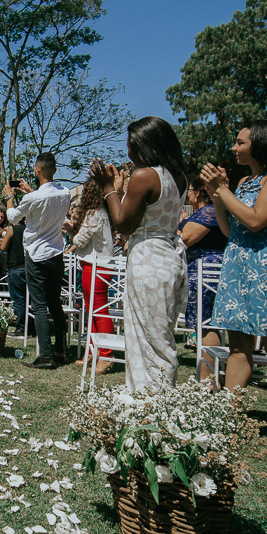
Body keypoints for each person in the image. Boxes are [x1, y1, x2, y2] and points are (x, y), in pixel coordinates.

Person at [200, 119, 267, 462]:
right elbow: (231, 230)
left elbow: (258, 220)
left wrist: (224, 191)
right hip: (238, 263)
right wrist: (218, 196)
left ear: (262, 143)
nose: (234, 147)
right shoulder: (245, 180)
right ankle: (227, 426)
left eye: (240, 142)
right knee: (238, 349)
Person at [91, 117, 188, 389]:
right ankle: (151, 400)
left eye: (130, 141)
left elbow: (123, 223)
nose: (127, 147)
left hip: (147, 259)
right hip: (169, 257)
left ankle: (151, 405)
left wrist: (109, 188)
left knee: (146, 338)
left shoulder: (145, 175)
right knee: (160, 336)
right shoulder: (179, 177)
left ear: (145, 144)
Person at [4, 152, 71, 369]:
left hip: (36, 255)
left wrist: (9, 197)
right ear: (55, 170)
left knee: (39, 305)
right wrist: (31, 192)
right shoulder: (65, 193)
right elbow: (47, 203)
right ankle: (60, 350)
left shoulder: (32, 198)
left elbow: (13, 218)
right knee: (55, 304)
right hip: (56, 254)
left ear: (37, 170)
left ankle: (46, 356)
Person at [67, 178, 118, 375]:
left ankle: (106, 355)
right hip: (95, 264)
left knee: (99, 311)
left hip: (97, 266)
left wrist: (71, 231)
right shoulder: (102, 211)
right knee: (92, 310)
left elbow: (80, 240)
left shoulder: (94, 213)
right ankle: (91, 351)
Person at [178, 178, 228, 374]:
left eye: (189, 190)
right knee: (203, 323)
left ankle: (207, 377)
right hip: (201, 268)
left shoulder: (208, 211)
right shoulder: (206, 211)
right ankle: (209, 375)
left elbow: (186, 239)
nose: (188, 194)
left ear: (198, 192)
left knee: (204, 323)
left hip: (206, 270)